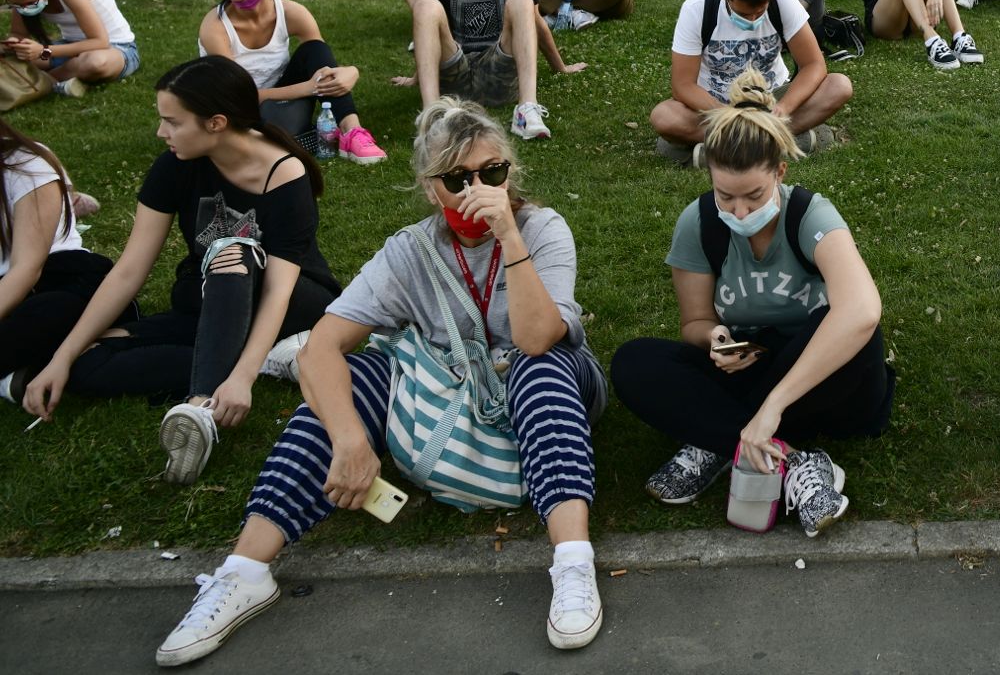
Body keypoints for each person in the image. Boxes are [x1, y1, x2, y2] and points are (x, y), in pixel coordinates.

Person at [152, 98, 608, 663]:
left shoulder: (542, 228)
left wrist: (510, 237)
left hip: (547, 385)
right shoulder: (411, 250)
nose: (477, 190)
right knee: (360, 373)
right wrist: (350, 440)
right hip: (447, 389)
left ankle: (573, 564)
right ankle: (243, 573)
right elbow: (321, 347)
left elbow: (537, 338)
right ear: (431, 189)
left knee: (539, 365)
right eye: (456, 179)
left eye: (492, 172)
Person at [23, 56, 337, 484]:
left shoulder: (284, 173)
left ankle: (200, 406)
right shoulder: (176, 164)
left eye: (172, 122)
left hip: (294, 301)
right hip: (209, 300)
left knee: (232, 251)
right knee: (86, 362)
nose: (161, 132)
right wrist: (62, 357)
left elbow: (280, 289)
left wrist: (241, 379)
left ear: (216, 123)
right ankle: (257, 358)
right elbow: (129, 270)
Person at [613, 68, 891, 535]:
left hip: (821, 378)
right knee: (634, 362)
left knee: (853, 330)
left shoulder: (809, 213)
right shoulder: (699, 222)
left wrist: (773, 406)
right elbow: (695, 321)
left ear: (780, 172)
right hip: (750, 367)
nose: (739, 211)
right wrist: (715, 338)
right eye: (726, 196)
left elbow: (862, 310)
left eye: (754, 196)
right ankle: (791, 460)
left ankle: (719, 436)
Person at [197, 0, 386, 164]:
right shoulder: (215, 25)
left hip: (281, 101)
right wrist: (309, 88)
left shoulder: (291, 12)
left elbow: (320, 60)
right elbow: (237, 96)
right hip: (235, 110)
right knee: (262, 132)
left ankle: (352, 131)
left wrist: (351, 71)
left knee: (314, 48)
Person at [652, 0, 853, 163]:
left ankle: (729, 148)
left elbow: (813, 65)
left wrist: (784, 108)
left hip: (771, 99)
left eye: (760, 12)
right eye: (744, 14)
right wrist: (729, 115)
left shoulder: (782, 0)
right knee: (664, 116)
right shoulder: (697, 9)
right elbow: (682, 85)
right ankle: (774, 141)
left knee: (839, 86)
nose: (753, 19)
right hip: (717, 106)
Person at [413, 0, 584, 141]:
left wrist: (560, 66)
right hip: (457, 72)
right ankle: (433, 118)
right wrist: (416, 76)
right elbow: (433, 33)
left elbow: (536, 22)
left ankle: (526, 110)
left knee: (521, 0)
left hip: (499, 70)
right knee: (425, 5)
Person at [0, 124, 108, 402]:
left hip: (55, 277)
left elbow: (26, 270)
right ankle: (14, 374)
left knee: (53, 311)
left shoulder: (25, 165)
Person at [1, 0, 140, 100]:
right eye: (17, 4)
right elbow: (18, 33)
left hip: (115, 48)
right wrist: (15, 44)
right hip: (68, 49)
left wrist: (43, 51)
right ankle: (65, 80)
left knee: (93, 63)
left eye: (31, 3)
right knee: (14, 57)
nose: (24, 8)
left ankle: (45, 83)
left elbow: (100, 42)